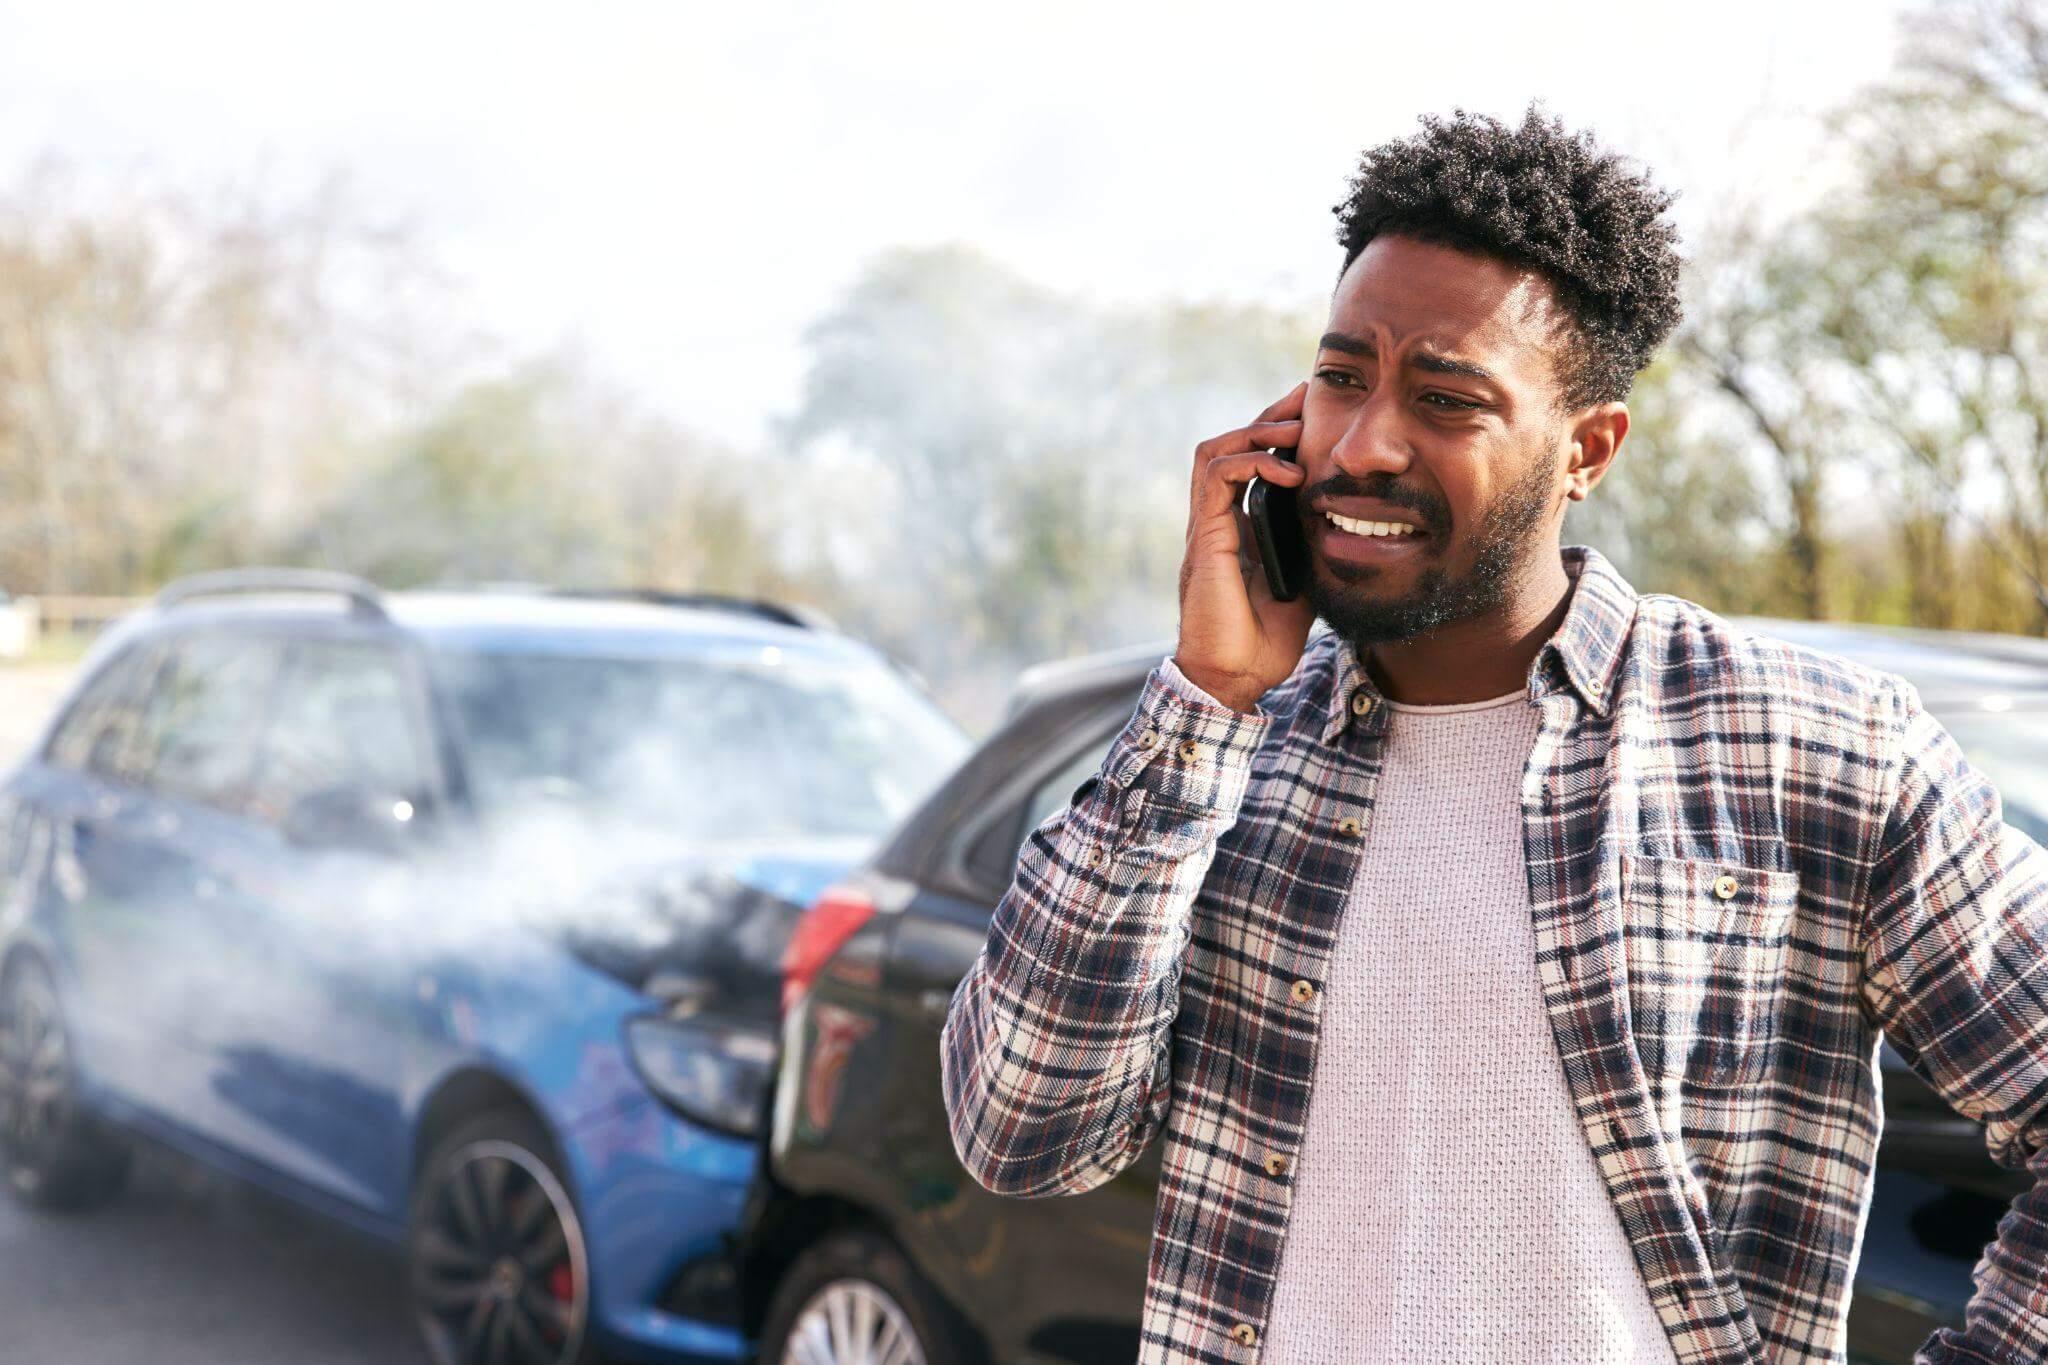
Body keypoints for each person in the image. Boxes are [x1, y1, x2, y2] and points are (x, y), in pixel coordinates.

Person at [940, 107, 2048, 1364]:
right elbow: (1019, 1135)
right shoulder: (1225, 752)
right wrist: (1202, 704)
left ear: (1585, 450)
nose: (1359, 444)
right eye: (1340, 376)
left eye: (1446, 399)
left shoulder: (1814, 752)